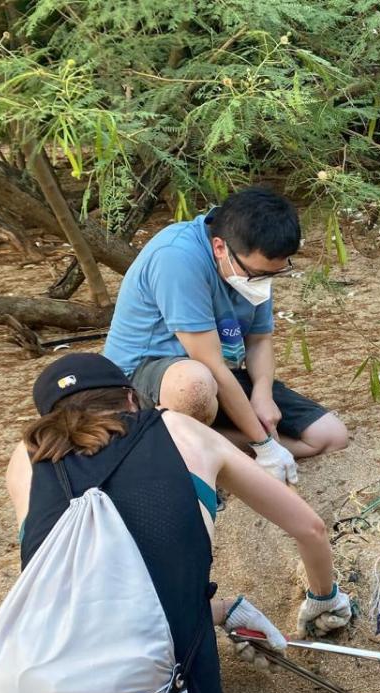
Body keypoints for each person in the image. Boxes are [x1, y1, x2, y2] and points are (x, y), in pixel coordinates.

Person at [0, 353, 354, 693]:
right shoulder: (182, 430)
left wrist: (219, 609)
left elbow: (87, 588)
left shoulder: (25, 461)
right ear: (134, 399)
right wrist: (325, 598)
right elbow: (309, 528)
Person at [103, 186, 348, 485]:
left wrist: (262, 393)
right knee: (193, 385)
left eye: (273, 274)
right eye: (258, 274)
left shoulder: (249, 266)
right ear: (220, 247)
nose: (263, 282)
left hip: (217, 380)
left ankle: (189, 447)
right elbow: (210, 364)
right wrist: (264, 445)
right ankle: (176, 450)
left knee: (329, 436)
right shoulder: (177, 258)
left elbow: (259, 340)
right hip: (148, 380)